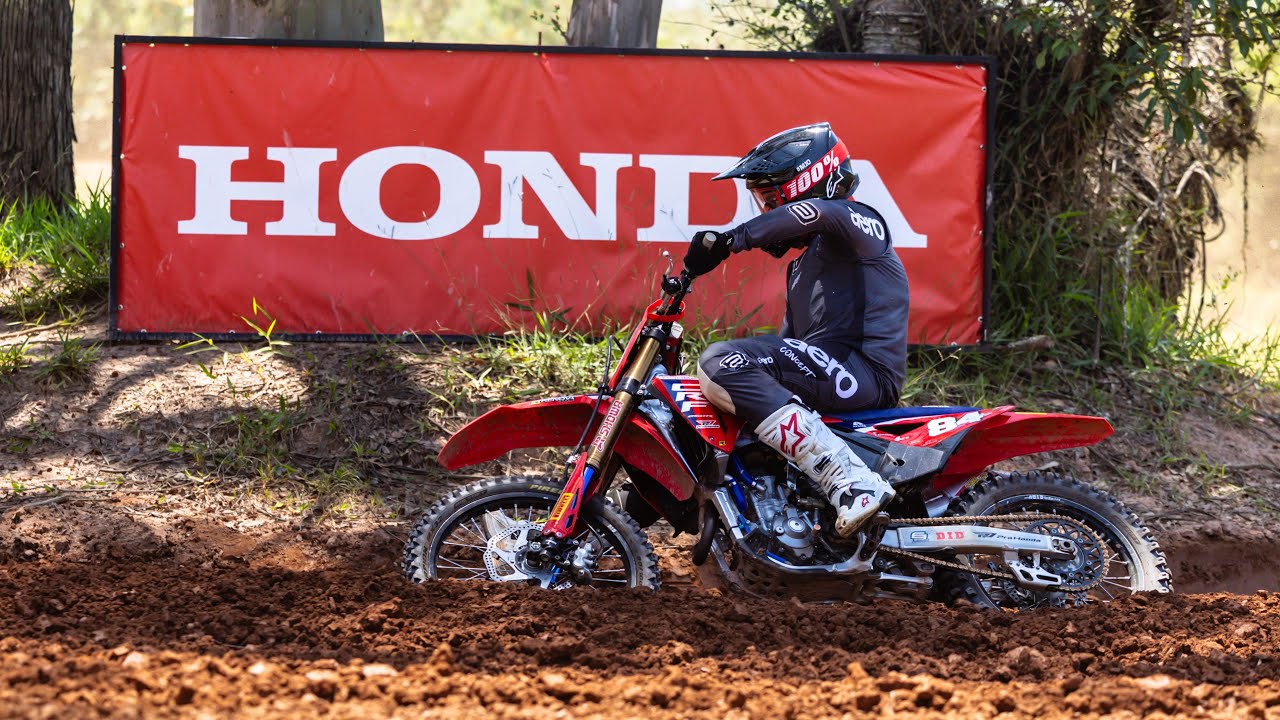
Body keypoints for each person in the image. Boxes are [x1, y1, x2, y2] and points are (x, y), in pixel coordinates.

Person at [682, 122, 908, 538]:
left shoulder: (859, 224)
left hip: (864, 375)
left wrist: (733, 239)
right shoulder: (802, 268)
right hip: (831, 371)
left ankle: (850, 480)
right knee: (708, 391)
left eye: (770, 198)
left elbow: (818, 211)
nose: (766, 210)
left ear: (808, 180)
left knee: (722, 360)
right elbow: (789, 351)